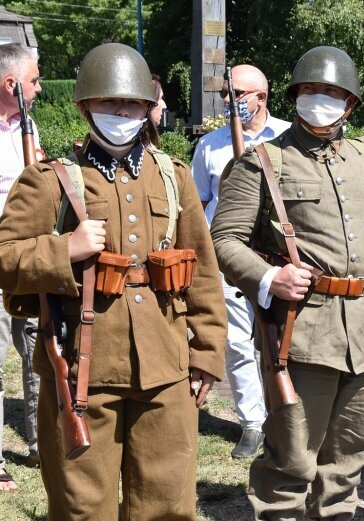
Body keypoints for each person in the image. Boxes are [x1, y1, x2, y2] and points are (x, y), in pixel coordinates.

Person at [0, 43, 227, 518]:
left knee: (166, 505)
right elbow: (4, 257)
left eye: (131, 103)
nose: (121, 112)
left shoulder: (174, 178)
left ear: (148, 108)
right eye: (108, 102)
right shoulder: (49, 180)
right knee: (84, 507)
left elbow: (202, 271)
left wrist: (206, 352)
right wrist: (66, 249)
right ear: (85, 107)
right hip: (85, 370)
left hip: (166, 367)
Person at [211, 45, 364, 520]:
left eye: (333, 92)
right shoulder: (263, 161)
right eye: (312, 90)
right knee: (292, 460)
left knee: (348, 462)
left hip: (362, 331)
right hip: (302, 334)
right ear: (295, 95)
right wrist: (269, 276)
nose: (321, 99)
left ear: (351, 103)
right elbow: (223, 238)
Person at [192, 64, 290, 459]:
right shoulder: (210, 146)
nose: (231, 103)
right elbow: (199, 206)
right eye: (226, 96)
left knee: (282, 342)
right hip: (228, 261)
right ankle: (253, 422)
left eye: (238, 95)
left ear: (261, 97)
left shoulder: (289, 138)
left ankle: (286, 416)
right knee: (235, 341)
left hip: (279, 262)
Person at [0, 42, 42, 492]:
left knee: (38, 355)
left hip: (28, 257)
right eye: (33, 80)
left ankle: (39, 443)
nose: (38, 88)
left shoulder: (26, 128)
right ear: (10, 84)